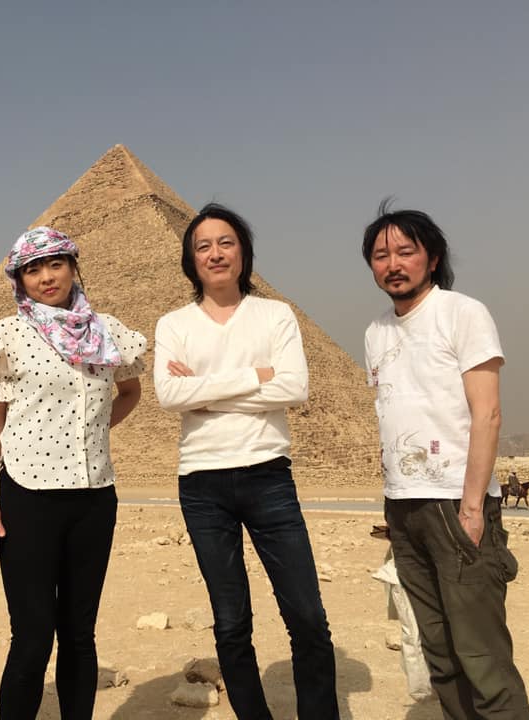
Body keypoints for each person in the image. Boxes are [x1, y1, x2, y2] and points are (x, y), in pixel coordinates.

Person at [154, 203, 339, 720]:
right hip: (202, 483)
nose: (215, 253)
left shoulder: (275, 314)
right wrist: (257, 376)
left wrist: (204, 392)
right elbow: (169, 394)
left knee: (306, 615)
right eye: (203, 246)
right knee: (231, 621)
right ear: (191, 260)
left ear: (243, 251)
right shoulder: (173, 323)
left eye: (226, 242)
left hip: (268, 476)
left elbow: (295, 385)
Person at [0, 227, 145, 720]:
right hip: (28, 496)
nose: (46, 277)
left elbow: (129, 392)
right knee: (32, 636)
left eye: (55, 264)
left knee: (80, 635)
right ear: (20, 279)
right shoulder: (9, 335)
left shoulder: (107, 330)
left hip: (94, 497)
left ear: (73, 266)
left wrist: (91, 429)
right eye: (32, 269)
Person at [362, 200, 529, 719]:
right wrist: (394, 509)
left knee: (482, 656)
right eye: (380, 254)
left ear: (431, 257)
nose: (393, 263)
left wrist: (474, 508)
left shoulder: (463, 312)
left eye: (405, 251)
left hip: (458, 502)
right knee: (439, 653)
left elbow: (489, 414)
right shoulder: (375, 333)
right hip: (404, 509)